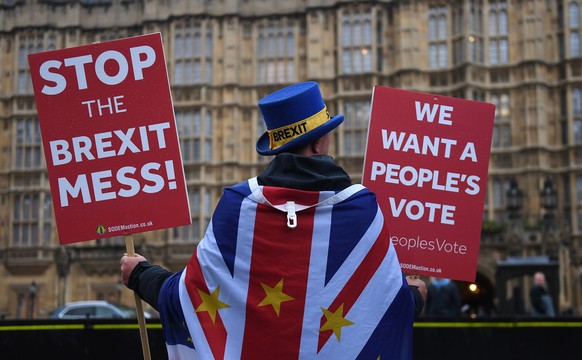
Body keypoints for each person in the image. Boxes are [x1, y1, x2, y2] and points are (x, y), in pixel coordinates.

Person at [120, 81, 426, 359]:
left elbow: (188, 298)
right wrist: (415, 296)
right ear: (319, 144)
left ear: (275, 148)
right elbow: (384, 310)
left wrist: (140, 274)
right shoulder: (362, 209)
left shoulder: (237, 207)